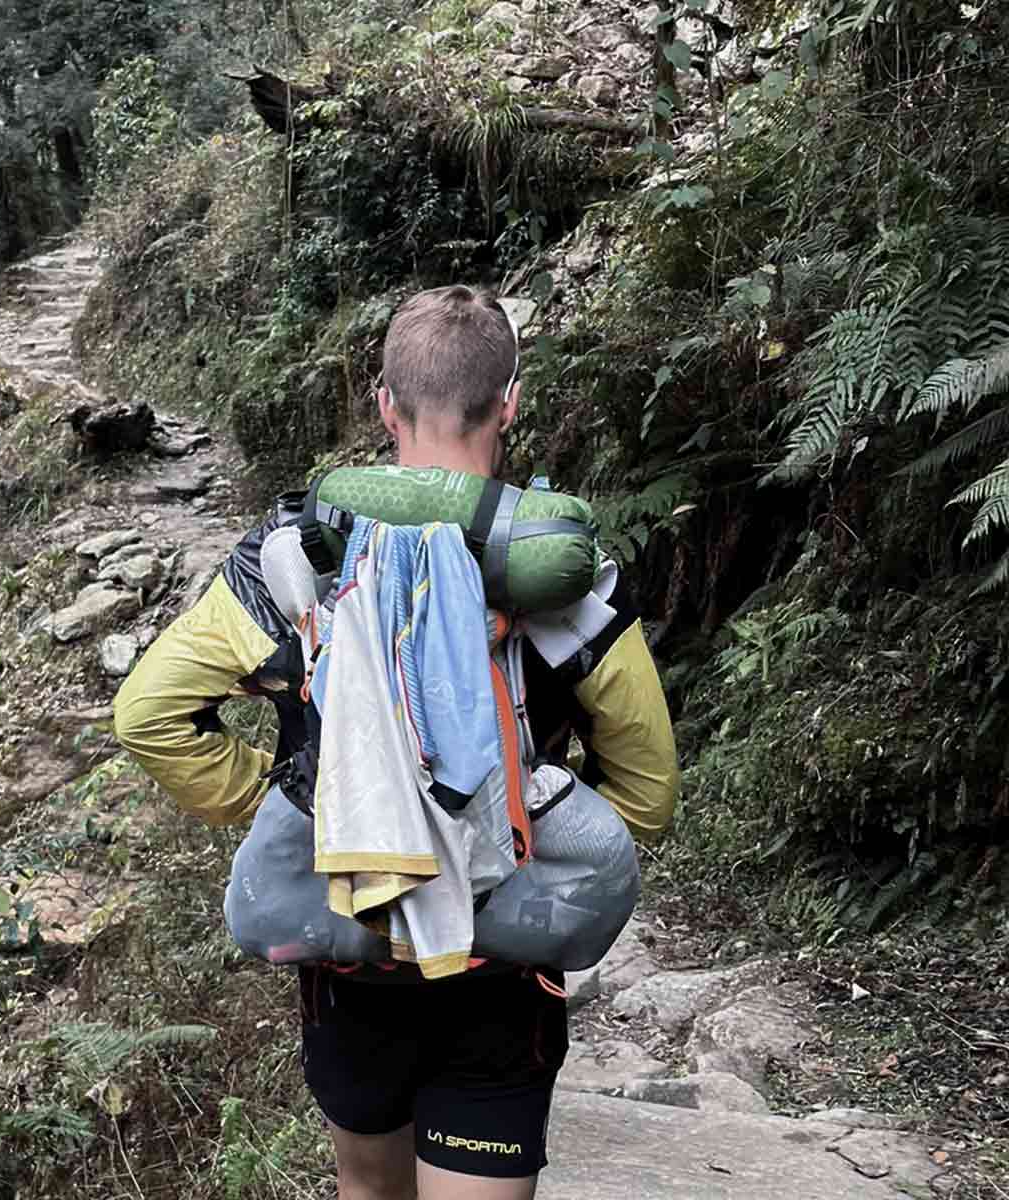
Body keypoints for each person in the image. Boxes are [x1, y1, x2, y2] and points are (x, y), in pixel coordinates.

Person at [113, 284, 679, 1200]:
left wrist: (293, 793)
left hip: (350, 961)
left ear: (384, 405)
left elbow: (148, 714)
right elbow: (646, 793)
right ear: (511, 401)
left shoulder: (297, 560)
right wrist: (528, 825)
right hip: (501, 973)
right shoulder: (560, 577)